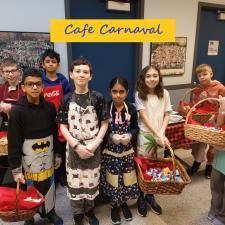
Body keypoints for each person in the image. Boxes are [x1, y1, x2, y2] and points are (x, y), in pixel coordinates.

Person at [56, 57, 109, 225]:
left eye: (85, 72)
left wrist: (95, 143)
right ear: (71, 74)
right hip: (73, 146)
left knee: (91, 179)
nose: (81, 75)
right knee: (75, 181)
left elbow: (105, 122)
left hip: (93, 145)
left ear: (90, 76)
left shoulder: (98, 97)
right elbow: (63, 126)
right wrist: (76, 145)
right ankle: (78, 212)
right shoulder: (66, 99)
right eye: (78, 71)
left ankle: (90, 210)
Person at [7, 68, 63, 225]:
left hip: (48, 155)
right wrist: (16, 169)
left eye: (38, 84)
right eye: (30, 84)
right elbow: (14, 142)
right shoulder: (17, 111)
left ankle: (50, 211)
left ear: (42, 86)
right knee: (30, 189)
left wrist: (57, 154)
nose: (34, 87)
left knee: (49, 185)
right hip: (28, 160)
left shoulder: (50, 108)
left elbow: (55, 132)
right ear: (23, 87)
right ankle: (29, 216)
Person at [101, 76, 139, 224]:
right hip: (110, 154)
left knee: (126, 179)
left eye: (121, 92)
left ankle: (123, 203)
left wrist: (130, 135)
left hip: (126, 153)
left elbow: (136, 128)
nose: (118, 95)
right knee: (113, 180)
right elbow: (100, 130)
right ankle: (113, 205)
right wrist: (111, 136)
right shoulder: (105, 108)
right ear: (110, 92)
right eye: (114, 91)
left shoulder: (132, 109)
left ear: (127, 92)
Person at [135, 65, 171, 217]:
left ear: (159, 77)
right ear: (143, 78)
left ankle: (150, 195)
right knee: (144, 166)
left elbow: (167, 113)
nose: (152, 79)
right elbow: (144, 116)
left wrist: (162, 132)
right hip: (146, 136)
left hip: (160, 135)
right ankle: (140, 197)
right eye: (148, 76)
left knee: (156, 166)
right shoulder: (139, 94)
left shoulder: (165, 93)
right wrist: (157, 134)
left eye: (155, 76)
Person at [187, 64, 225, 179]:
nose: (202, 77)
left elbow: (223, 105)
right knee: (201, 142)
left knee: (213, 145)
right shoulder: (198, 89)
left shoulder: (220, 88)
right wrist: (200, 99)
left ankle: (209, 166)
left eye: (205, 74)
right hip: (202, 119)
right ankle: (197, 163)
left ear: (211, 74)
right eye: (199, 75)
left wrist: (209, 98)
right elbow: (195, 106)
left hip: (217, 120)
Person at [42, 49, 72, 187]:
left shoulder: (63, 80)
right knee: (49, 147)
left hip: (61, 119)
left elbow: (68, 98)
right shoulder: (40, 81)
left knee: (61, 147)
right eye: (47, 62)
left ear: (58, 65)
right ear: (43, 64)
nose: (50, 64)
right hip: (45, 120)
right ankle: (51, 175)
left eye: (53, 62)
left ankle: (62, 175)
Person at [0, 58, 24, 185]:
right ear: (2, 73)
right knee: (3, 160)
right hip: (4, 129)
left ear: (18, 71)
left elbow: (28, 110)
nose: (10, 74)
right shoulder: (1, 89)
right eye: (6, 71)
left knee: (21, 159)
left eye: (13, 71)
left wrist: (11, 108)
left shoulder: (25, 88)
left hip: (22, 129)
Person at [207, 96, 225, 225]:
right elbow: (219, 127)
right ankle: (215, 209)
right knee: (216, 184)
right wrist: (219, 114)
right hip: (221, 155)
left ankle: (223, 216)